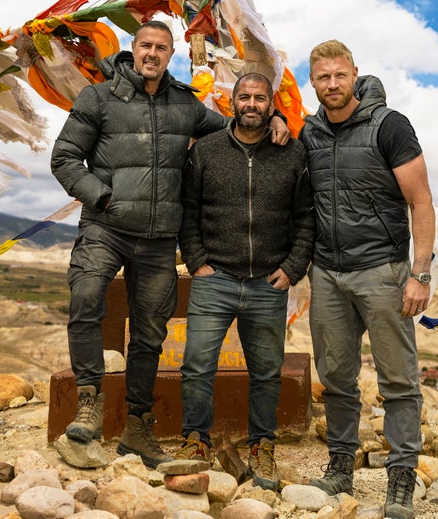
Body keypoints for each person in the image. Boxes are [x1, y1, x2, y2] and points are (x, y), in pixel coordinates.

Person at [50, 20, 290, 469]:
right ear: (133, 49)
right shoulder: (97, 98)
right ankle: (89, 403)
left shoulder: (186, 104)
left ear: (171, 53)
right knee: (85, 295)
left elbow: (236, 126)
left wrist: (273, 116)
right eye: (146, 46)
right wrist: (102, 197)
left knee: (149, 333)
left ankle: (137, 428)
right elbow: (63, 158)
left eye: (162, 47)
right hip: (106, 227)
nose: (152, 54)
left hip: (160, 239)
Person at [299, 40, 435, 519]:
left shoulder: (389, 125)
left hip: (384, 270)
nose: (332, 85)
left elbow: (421, 201)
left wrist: (420, 274)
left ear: (354, 74)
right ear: (311, 81)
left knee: (398, 379)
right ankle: (340, 465)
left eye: (339, 75)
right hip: (328, 273)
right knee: (335, 375)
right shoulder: (309, 132)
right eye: (322, 78)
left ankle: (401, 478)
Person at [176, 72, 314, 490]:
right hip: (214, 279)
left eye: (259, 98)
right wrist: (197, 261)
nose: (251, 104)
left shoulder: (292, 154)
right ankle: (195, 440)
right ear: (231, 103)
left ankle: (262, 446)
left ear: (271, 106)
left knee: (266, 371)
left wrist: (292, 269)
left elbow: (306, 218)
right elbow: (188, 210)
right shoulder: (207, 151)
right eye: (244, 97)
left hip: (267, 284)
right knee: (197, 365)